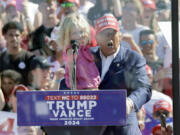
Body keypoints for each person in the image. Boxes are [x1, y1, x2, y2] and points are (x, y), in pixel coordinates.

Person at [58, 13, 151, 135]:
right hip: (92, 127)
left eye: (113, 33)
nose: (109, 37)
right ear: (96, 37)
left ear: (120, 34)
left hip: (122, 127)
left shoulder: (133, 58)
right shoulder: (85, 54)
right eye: (104, 34)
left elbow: (144, 88)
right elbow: (67, 81)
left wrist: (129, 102)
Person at [58, 13, 100, 90]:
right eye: (75, 33)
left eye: (81, 32)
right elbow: (71, 75)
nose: (80, 35)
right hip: (81, 91)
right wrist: (75, 93)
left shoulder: (87, 48)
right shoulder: (71, 51)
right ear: (68, 35)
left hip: (94, 88)